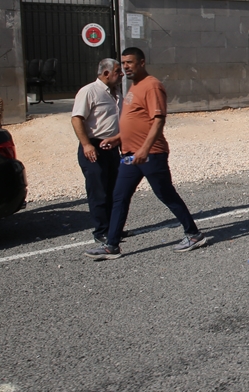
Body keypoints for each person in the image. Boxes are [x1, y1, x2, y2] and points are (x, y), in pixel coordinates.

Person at [84, 47, 205, 260]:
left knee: (165, 194)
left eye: (130, 62)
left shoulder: (152, 86)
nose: (126, 67)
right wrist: (117, 139)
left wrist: (145, 149)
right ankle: (111, 245)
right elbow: (135, 122)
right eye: (123, 63)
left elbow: (158, 121)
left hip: (151, 154)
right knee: (119, 197)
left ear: (142, 62)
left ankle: (193, 234)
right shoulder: (133, 87)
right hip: (130, 155)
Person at [72, 58, 126, 244]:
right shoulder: (89, 92)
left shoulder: (117, 93)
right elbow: (77, 119)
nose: (122, 74)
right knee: (98, 191)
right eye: (118, 71)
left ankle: (114, 228)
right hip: (94, 146)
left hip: (112, 147)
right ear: (106, 73)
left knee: (114, 189)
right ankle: (101, 231)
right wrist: (87, 145)